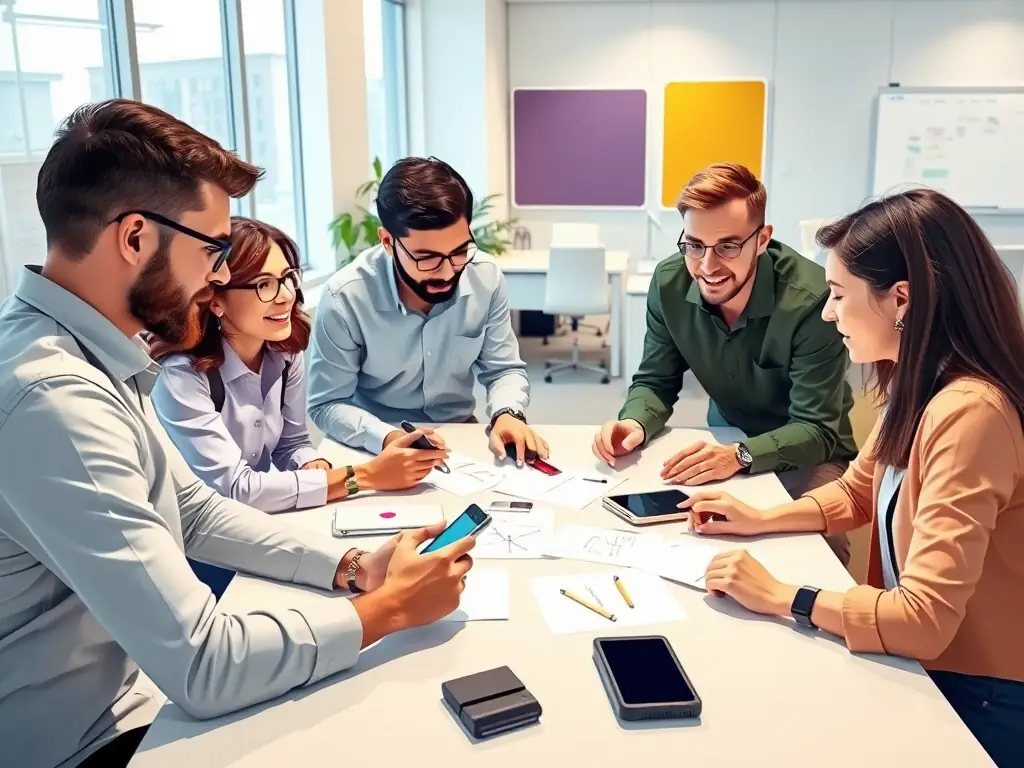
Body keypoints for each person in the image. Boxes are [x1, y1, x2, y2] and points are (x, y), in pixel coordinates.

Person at [0, 100, 474, 768]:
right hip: (85, 740)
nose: (220, 275)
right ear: (135, 238)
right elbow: (205, 666)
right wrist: (387, 611)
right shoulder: (54, 399)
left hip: (136, 693)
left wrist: (351, 566)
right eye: (213, 249)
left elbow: (191, 510)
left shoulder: (87, 353)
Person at [679, 189, 1024, 767]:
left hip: (980, 695)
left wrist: (782, 596)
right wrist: (759, 518)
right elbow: (858, 491)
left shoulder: (970, 414)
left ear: (901, 299)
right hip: (928, 666)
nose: (827, 312)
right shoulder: (919, 381)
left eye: (839, 294)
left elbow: (922, 621)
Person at [592, 163, 857, 563]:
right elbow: (655, 381)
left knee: (818, 553)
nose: (707, 266)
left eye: (728, 247)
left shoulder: (813, 301)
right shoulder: (669, 283)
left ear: (762, 239)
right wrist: (634, 422)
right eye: (694, 245)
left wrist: (739, 456)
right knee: (687, 542)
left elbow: (816, 429)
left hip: (808, 453)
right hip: (726, 436)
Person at [150, 216, 448, 512]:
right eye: (264, 284)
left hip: (254, 519)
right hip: (193, 531)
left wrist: (311, 464)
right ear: (216, 300)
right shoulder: (182, 376)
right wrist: (365, 476)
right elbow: (237, 489)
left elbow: (291, 444)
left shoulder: (283, 352)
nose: (286, 297)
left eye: (287, 278)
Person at [307, 156, 549, 467]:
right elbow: (327, 403)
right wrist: (387, 437)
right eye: (427, 258)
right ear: (387, 242)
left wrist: (508, 413)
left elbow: (503, 370)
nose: (447, 272)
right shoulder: (345, 297)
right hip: (377, 445)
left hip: (458, 437)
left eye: (459, 251)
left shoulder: (485, 277)